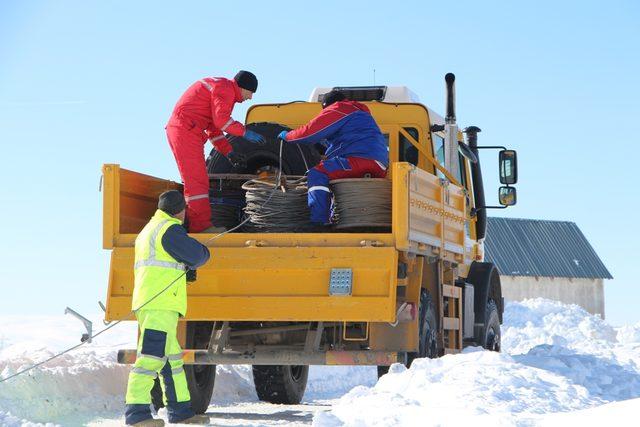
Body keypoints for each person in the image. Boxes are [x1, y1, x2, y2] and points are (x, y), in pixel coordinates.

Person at [125, 190, 211, 426]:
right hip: (159, 304)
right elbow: (198, 256)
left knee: (172, 360)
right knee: (150, 358)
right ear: (180, 210)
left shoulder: (150, 229)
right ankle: (136, 414)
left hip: (155, 302)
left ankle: (180, 411)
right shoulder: (169, 229)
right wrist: (204, 250)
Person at [166, 70, 266, 233]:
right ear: (243, 87)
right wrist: (245, 132)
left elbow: (213, 128)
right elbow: (222, 121)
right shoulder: (226, 89)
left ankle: (198, 224)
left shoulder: (222, 88)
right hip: (185, 131)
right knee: (196, 181)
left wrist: (229, 152)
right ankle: (200, 227)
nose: (250, 98)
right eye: (251, 92)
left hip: (187, 130)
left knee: (199, 180)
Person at [277, 91, 389, 225]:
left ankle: (319, 222)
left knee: (317, 173)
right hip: (379, 164)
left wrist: (288, 136)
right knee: (332, 172)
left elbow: (309, 132)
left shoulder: (339, 108)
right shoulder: (360, 114)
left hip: (359, 160)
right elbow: (344, 140)